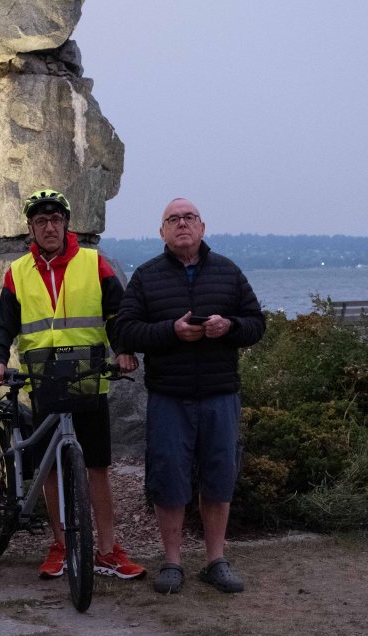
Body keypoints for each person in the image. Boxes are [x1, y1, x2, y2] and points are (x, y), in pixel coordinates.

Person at [0, 188, 146, 582]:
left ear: (66, 224)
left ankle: (107, 550)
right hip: (44, 380)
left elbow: (118, 313)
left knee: (98, 467)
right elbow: (2, 322)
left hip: (88, 378)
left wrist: (124, 350)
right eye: (41, 220)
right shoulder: (18, 271)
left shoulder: (93, 262)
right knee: (51, 468)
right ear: (31, 228)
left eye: (56, 219)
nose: (49, 226)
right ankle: (59, 544)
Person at [112, 197, 265, 595]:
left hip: (220, 394)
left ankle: (216, 560)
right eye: (173, 219)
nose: (182, 224)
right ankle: (172, 562)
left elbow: (256, 324)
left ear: (202, 227)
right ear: (161, 231)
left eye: (189, 217)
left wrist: (229, 326)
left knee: (219, 478)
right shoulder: (146, 277)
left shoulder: (228, 272)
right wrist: (171, 331)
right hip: (169, 395)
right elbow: (125, 330)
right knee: (169, 479)